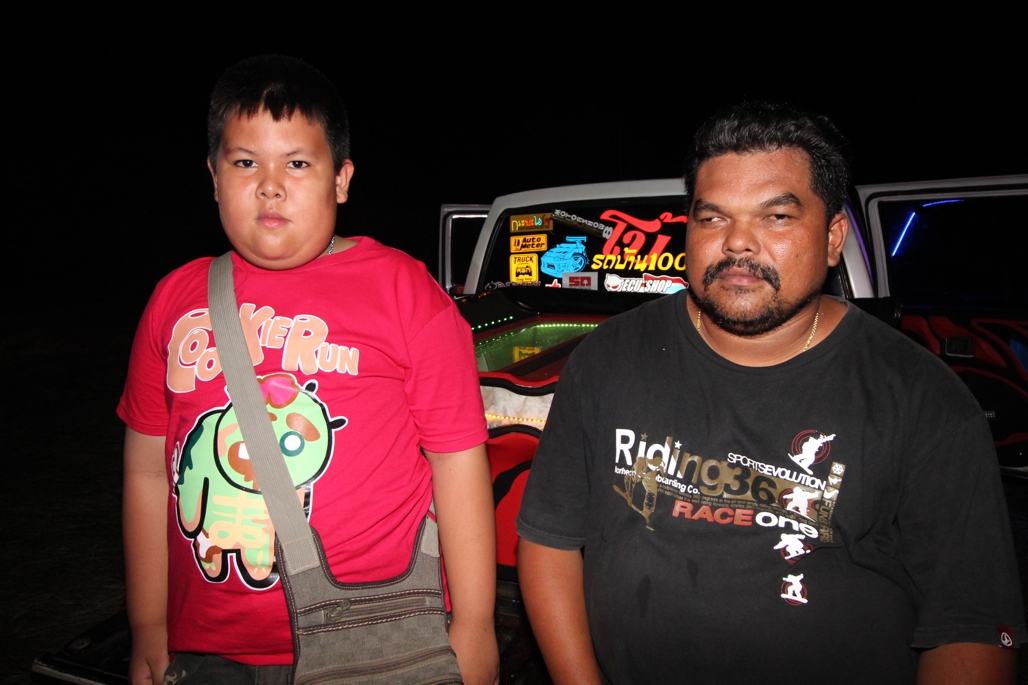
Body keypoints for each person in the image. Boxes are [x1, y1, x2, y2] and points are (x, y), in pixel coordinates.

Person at [516, 102, 1024, 684]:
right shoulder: (608, 358)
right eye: (712, 218)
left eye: (776, 217)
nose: (738, 243)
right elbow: (549, 541)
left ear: (832, 237)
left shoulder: (923, 399)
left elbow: (970, 627)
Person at [119, 55, 499, 685]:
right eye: (245, 163)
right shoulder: (173, 300)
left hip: (378, 635)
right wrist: (149, 627)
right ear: (213, 176)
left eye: (297, 163)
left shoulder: (405, 292)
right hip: (209, 649)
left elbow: (458, 462)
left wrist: (476, 625)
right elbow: (146, 472)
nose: (270, 186)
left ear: (341, 179)